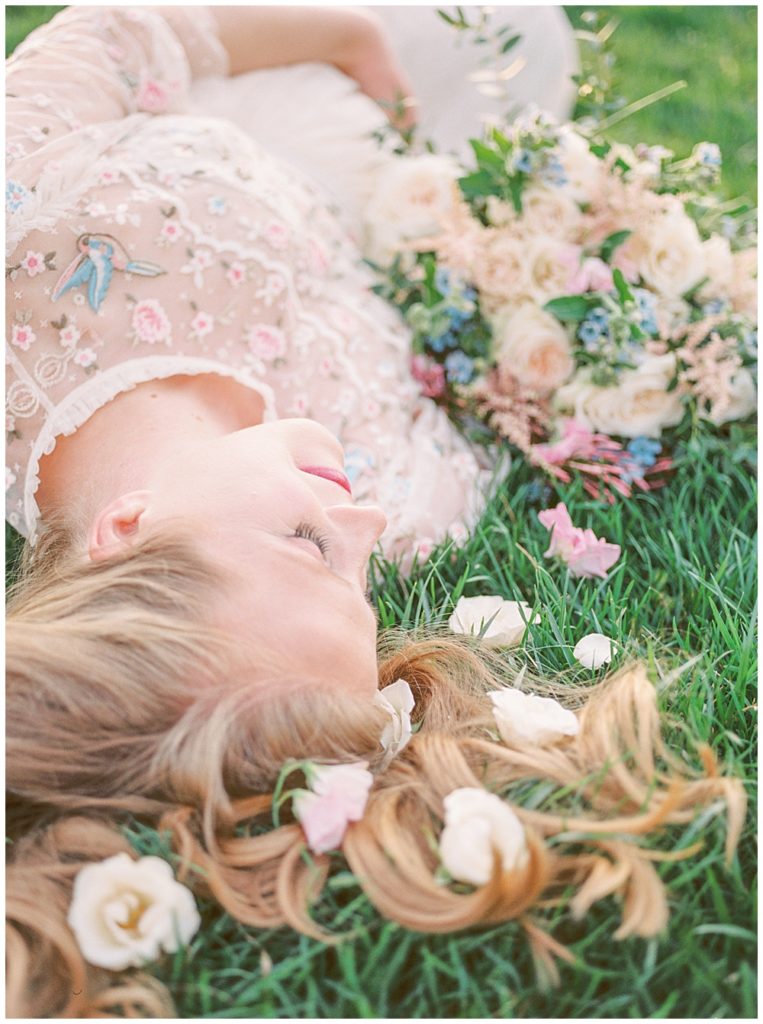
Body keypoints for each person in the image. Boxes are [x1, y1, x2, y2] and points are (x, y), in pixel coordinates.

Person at [5, 7, 745, 1019]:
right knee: (524, 41)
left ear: (126, 527)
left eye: (306, 540)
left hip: (278, 61)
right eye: (361, 585)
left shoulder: (24, 260)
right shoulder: (401, 508)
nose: (359, 527)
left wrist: (344, 36)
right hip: (421, 186)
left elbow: (118, 36)